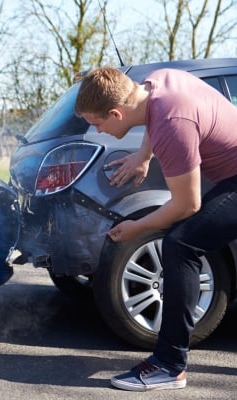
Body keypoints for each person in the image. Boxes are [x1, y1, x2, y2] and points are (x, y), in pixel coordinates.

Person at [75, 66, 237, 391]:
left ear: (117, 113)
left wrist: (138, 227)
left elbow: (186, 205)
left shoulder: (172, 124)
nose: (99, 131)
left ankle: (169, 365)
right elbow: (154, 115)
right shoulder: (158, 82)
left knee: (181, 243)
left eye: (98, 124)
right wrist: (143, 154)